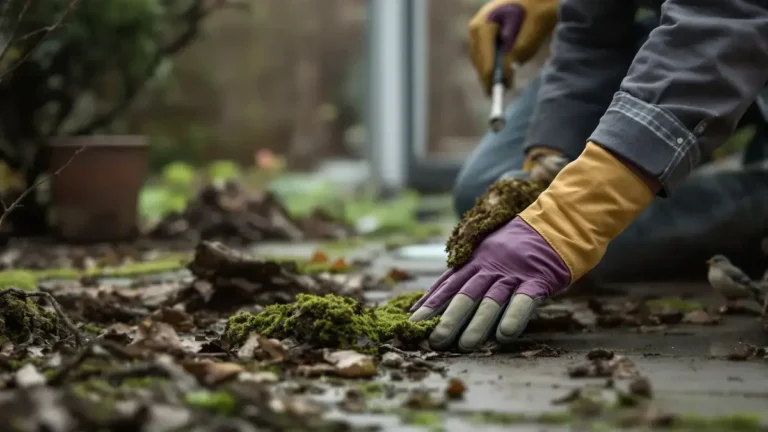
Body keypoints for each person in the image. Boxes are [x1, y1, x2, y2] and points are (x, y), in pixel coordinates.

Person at [409, 0, 768, 352]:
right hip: (677, 31)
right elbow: (591, 39)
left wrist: (571, 218)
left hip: (728, 29)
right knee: (486, 189)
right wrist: (549, 153)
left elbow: (723, 28)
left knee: (591, 241)